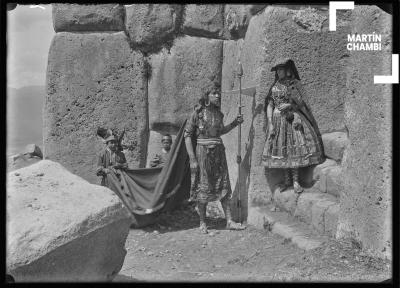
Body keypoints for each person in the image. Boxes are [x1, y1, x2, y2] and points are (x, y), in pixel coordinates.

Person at [184, 86, 246, 234]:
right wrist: (192, 158)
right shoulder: (197, 113)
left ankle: (229, 221)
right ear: (207, 96)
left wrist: (234, 124)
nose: (218, 96)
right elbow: (187, 135)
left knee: (223, 185)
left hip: (219, 153)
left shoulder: (219, 114)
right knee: (203, 186)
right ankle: (202, 222)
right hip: (203, 153)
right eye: (214, 93)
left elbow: (220, 131)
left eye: (218, 93)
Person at [262, 58, 325, 193]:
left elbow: (301, 102)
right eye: (277, 70)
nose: (279, 72)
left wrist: (290, 104)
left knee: (293, 149)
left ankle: (296, 181)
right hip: (278, 121)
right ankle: (287, 180)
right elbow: (270, 104)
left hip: (292, 119)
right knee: (282, 151)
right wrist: (270, 122)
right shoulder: (274, 86)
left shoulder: (294, 84)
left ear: (287, 70)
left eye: (281, 69)